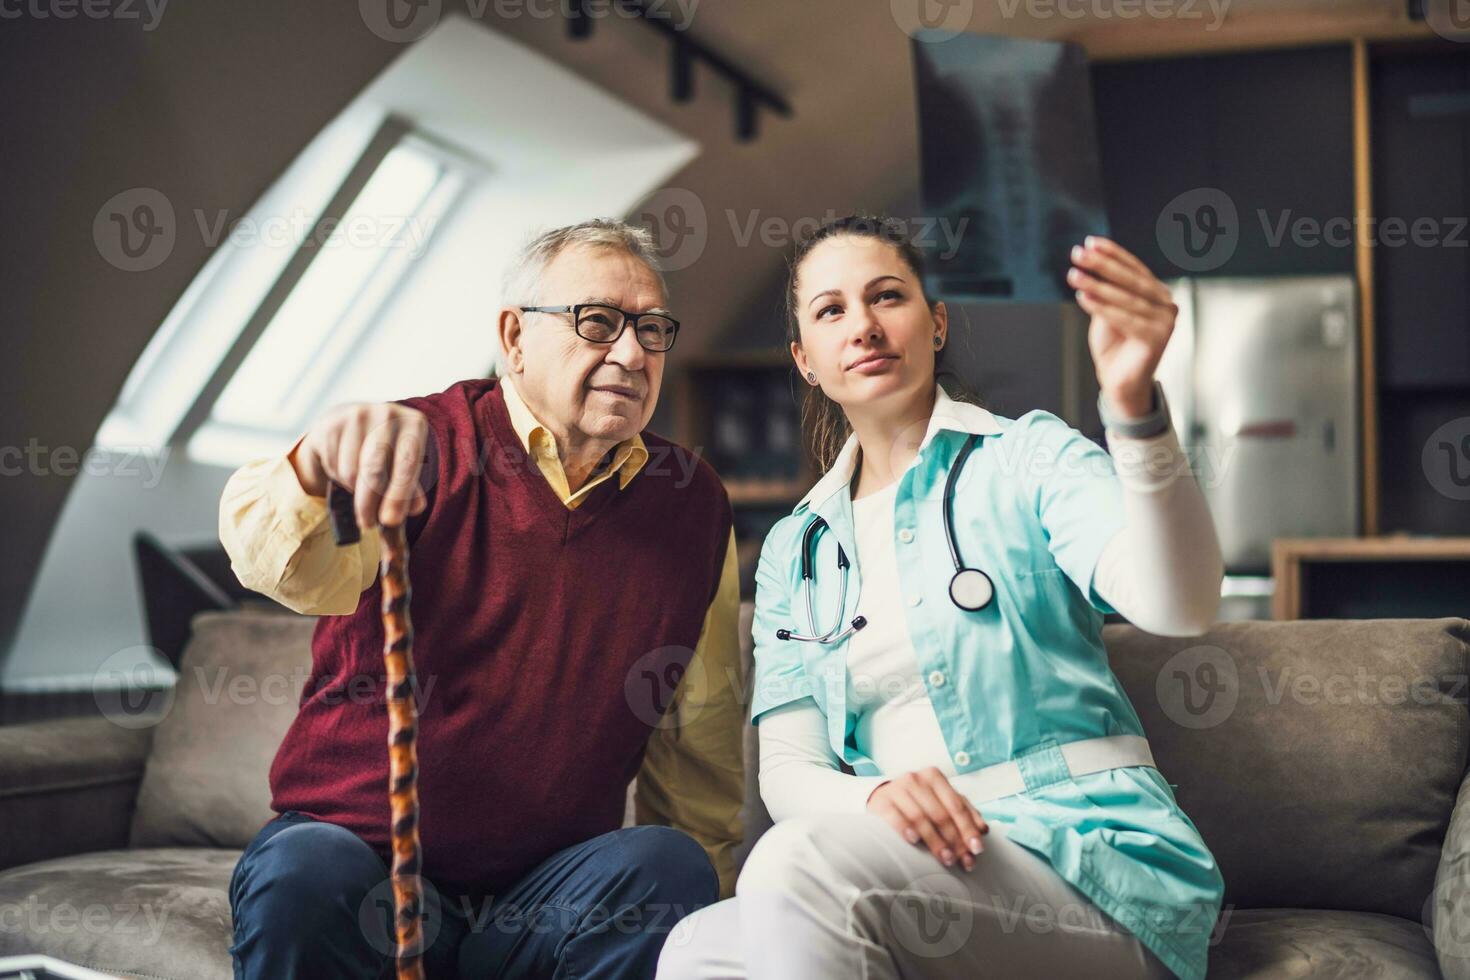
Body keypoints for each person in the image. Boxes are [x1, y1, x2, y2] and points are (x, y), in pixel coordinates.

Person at [657, 215, 1226, 980]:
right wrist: (875, 800)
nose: (863, 325)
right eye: (831, 311)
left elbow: (1178, 604)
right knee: (698, 949)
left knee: (799, 865)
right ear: (806, 361)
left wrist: (1134, 407)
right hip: (910, 870)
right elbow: (788, 771)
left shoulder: (1029, 456)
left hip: (1094, 870)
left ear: (935, 324)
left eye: (887, 297)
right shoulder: (798, 552)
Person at [220, 219, 745, 979]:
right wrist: (317, 462)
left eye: (653, 331)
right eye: (598, 322)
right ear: (515, 336)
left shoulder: (693, 503)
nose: (631, 354)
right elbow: (286, 570)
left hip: (544, 897)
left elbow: (699, 730)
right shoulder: (416, 445)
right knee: (306, 872)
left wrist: (712, 929)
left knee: (668, 863)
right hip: (366, 868)